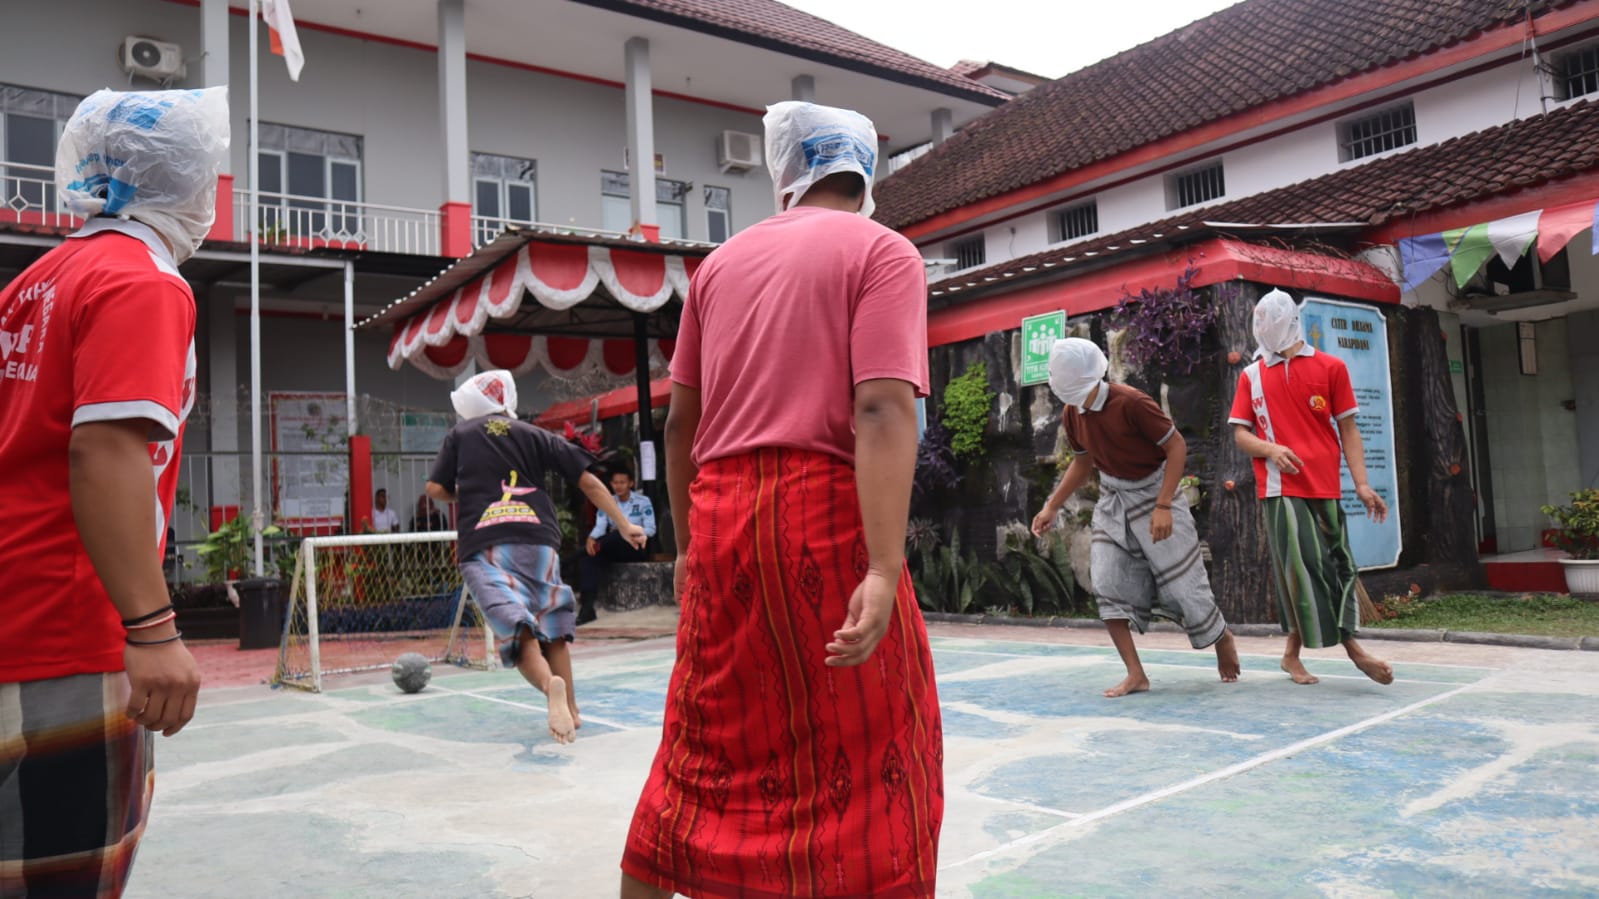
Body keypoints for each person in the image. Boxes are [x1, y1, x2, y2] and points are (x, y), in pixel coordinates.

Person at [621, 101, 943, 899]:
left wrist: (692, 547)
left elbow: (679, 424)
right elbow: (880, 408)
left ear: (785, 173)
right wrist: (881, 563)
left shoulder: (717, 267)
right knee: (877, 740)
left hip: (724, 514)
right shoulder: (883, 252)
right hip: (825, 516)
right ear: (864, 171)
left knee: (705, 741)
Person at [0, 87, 228, 897]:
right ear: (185, 182)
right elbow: (104, 448)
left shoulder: (36, 281)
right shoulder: (143, 283)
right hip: (67, 631)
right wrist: (153, 626)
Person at [425, 370, 645, 744]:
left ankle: (549, 687)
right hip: (538, 540)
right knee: (553, 629)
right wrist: (624, 525)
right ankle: (572, 712)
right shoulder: (535, 434)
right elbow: (589, 480)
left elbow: (435, 488)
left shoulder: (460, 435)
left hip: (486, 543)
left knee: (520, 631)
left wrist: (467, 493)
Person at [1032, 338, 1241, 697]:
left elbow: (1176, 447)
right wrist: (1052, 505)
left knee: (1183, 584)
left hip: (1156, 490)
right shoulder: (1072, 412)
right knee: (1107, 581)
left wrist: (1163, 505)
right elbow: (1083, 463)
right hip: (1114, 498)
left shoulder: (1131, 402)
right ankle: (1135, 673)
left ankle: (1221, 636)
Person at [1228, 289, 1394, 686]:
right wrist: (1271, 448)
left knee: (1336, 566)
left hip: (1327, 486)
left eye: (1271, 322)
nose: (1265, 330)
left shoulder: (1331, 367)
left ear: (1289, 323)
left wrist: (1363, 484)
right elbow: (1240, 435)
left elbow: (1349, 429)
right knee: (1308, 568)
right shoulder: (1251, 375)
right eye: (1260, 323)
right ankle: (1355, 652)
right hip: (1280, 488)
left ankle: (1290, 654)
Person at [576, 468, 656, 624]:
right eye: (615, 482)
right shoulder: (607, 502)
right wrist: (591, 538)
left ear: (631, 483)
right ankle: (587, 609)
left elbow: (651, 529)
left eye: (622, 482)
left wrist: (630, 531)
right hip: (612, 546)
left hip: (635, 547)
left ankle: (568, 559)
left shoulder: (643, 502)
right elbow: (600, 527)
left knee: (619, 533)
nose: (618, 486)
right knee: (589, 559)